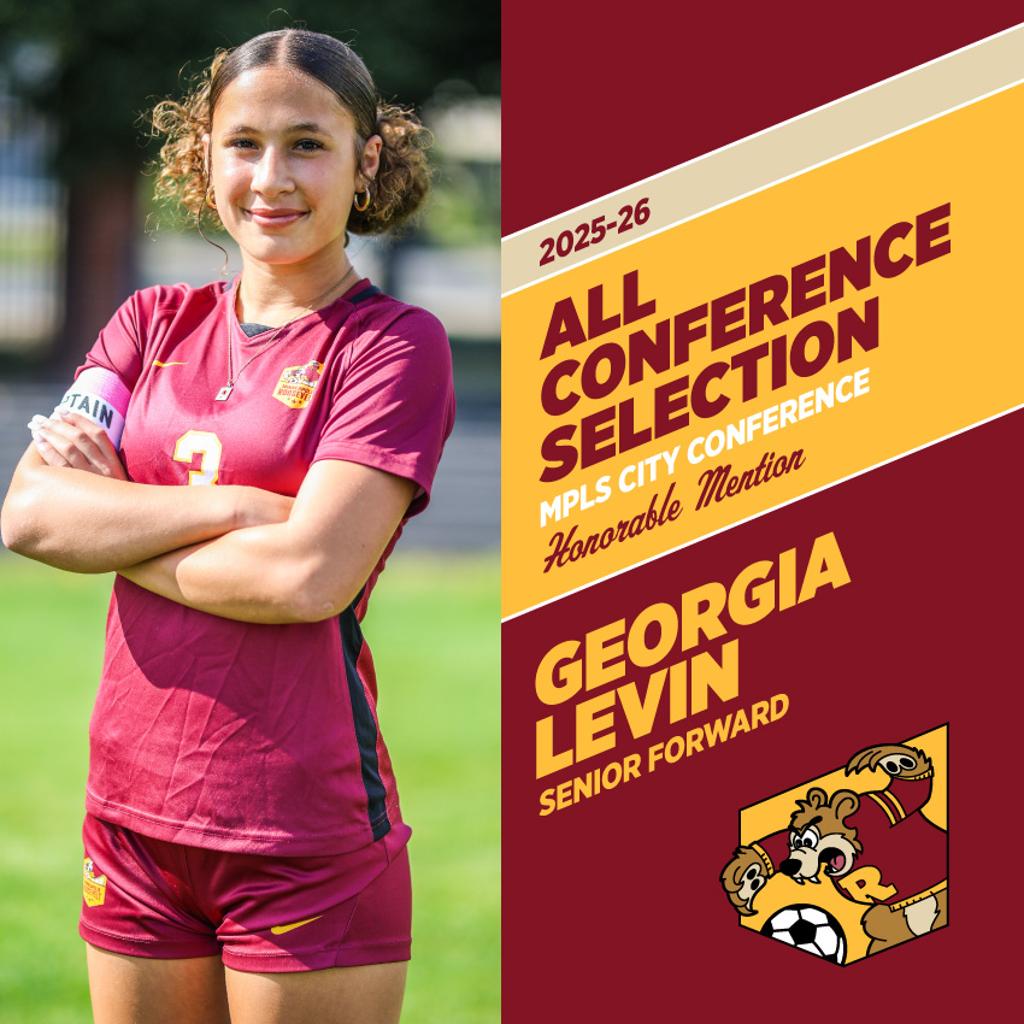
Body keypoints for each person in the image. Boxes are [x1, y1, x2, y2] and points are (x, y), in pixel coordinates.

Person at [0, 27, 455, 1024]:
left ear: (364, 158)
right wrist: (238, 510)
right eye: (244, 142)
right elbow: (31, 513)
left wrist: (121, 533)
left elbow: (306, 580)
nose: (271, 177)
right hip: (129, 816)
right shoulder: (148, 321)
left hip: (299, 830)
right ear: (202, 154)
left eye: (307, 143)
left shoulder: (392, 345)